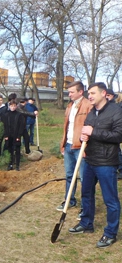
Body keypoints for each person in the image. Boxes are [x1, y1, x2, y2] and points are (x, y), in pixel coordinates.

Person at [68, 82, 122, 249]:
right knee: (86, 194)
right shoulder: (92, 112)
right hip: (90, 160)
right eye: (89, 93)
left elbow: (118, 135)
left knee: (110, 200)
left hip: (106, 162)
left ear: (103, 93)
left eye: (92, 93)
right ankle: (86, 223)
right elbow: (88, 132)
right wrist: (86, 140)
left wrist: (93, 133)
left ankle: (110, 233)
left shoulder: (116, 111)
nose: (89, 96)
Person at [57, 81, 92, 219]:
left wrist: (86, 147)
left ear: (80, 92)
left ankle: (85, 207)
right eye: (69, 92)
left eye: (72, 92)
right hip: (69, 146)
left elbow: (90, 127)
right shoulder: (70, 105)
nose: (69, 94)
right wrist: (63, 144)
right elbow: (67, 126)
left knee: (84, 178)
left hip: (81, 147)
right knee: (70, 175)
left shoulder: (88, 106)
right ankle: (70, 200)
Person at [2, 100, 25, 171]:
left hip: (16, 135)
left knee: (17, 150)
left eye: (14, 106)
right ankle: (10, 164)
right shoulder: (6, 115)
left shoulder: (19, 115)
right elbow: (4, 126)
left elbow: (22, 126)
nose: (13, 107)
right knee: (9, 150)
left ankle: (17, 165)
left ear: (16, 106)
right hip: (9, 135)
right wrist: (5, 135)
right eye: (11, 106)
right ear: (9, 106)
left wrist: (19, 136)